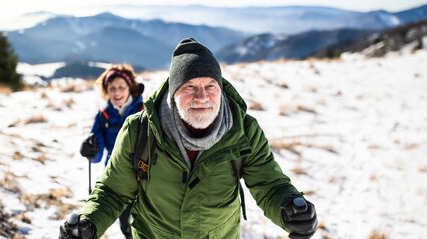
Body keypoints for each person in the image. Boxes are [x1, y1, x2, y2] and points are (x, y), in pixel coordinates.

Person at [60, 38, 317, 239]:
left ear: (220, 88)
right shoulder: (140, 130)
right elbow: (113, 191)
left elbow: (269, 184)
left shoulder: (244, 131)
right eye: (190, 87)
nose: (202, 97)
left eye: (210, 86)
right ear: (173, 94)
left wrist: (289, 209)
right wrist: (89, 222)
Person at [80, 64, 144, 239]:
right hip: (117, 177)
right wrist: (90, 150)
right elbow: (98, 155)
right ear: (106, 91)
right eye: (112, 88)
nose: (117, 93)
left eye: (121, 87)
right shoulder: (103, 116)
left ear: (129, 87)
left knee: (145, 225)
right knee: (126, 226)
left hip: (145, 176)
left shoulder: (144, 111)